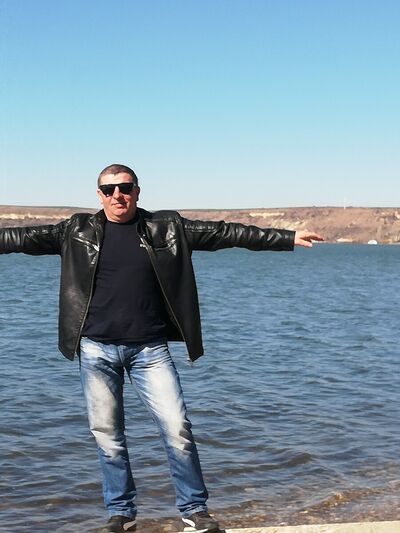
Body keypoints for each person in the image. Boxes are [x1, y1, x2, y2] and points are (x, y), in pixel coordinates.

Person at [0, 164, 323, 533]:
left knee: (177, 428)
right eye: (109, 190)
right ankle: (121, 516)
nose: (117, 195)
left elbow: (225, 232)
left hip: (149, 351)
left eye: (125, 188)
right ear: (99, 195)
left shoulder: (167, 227)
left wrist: (286, 237)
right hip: (96, 350)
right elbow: (20, 238)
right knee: (107, 435)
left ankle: (195, 511)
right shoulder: (75, 230)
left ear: (137, 191)